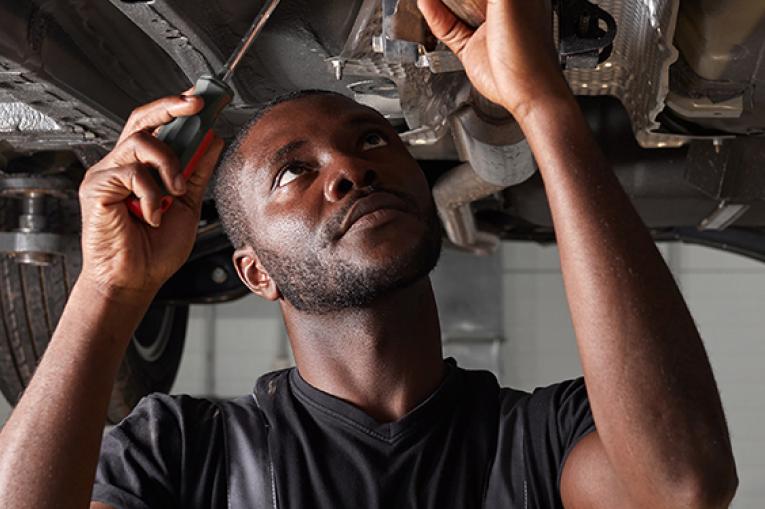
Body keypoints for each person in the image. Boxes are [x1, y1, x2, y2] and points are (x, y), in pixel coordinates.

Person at [0, 1, 738, 508]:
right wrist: (107, 288)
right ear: (256, 270)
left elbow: (679, 487)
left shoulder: (543, 439)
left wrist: (542, 104)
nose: (349, 169)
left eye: (372, 140)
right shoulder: (188, 455)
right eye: (294, 171)